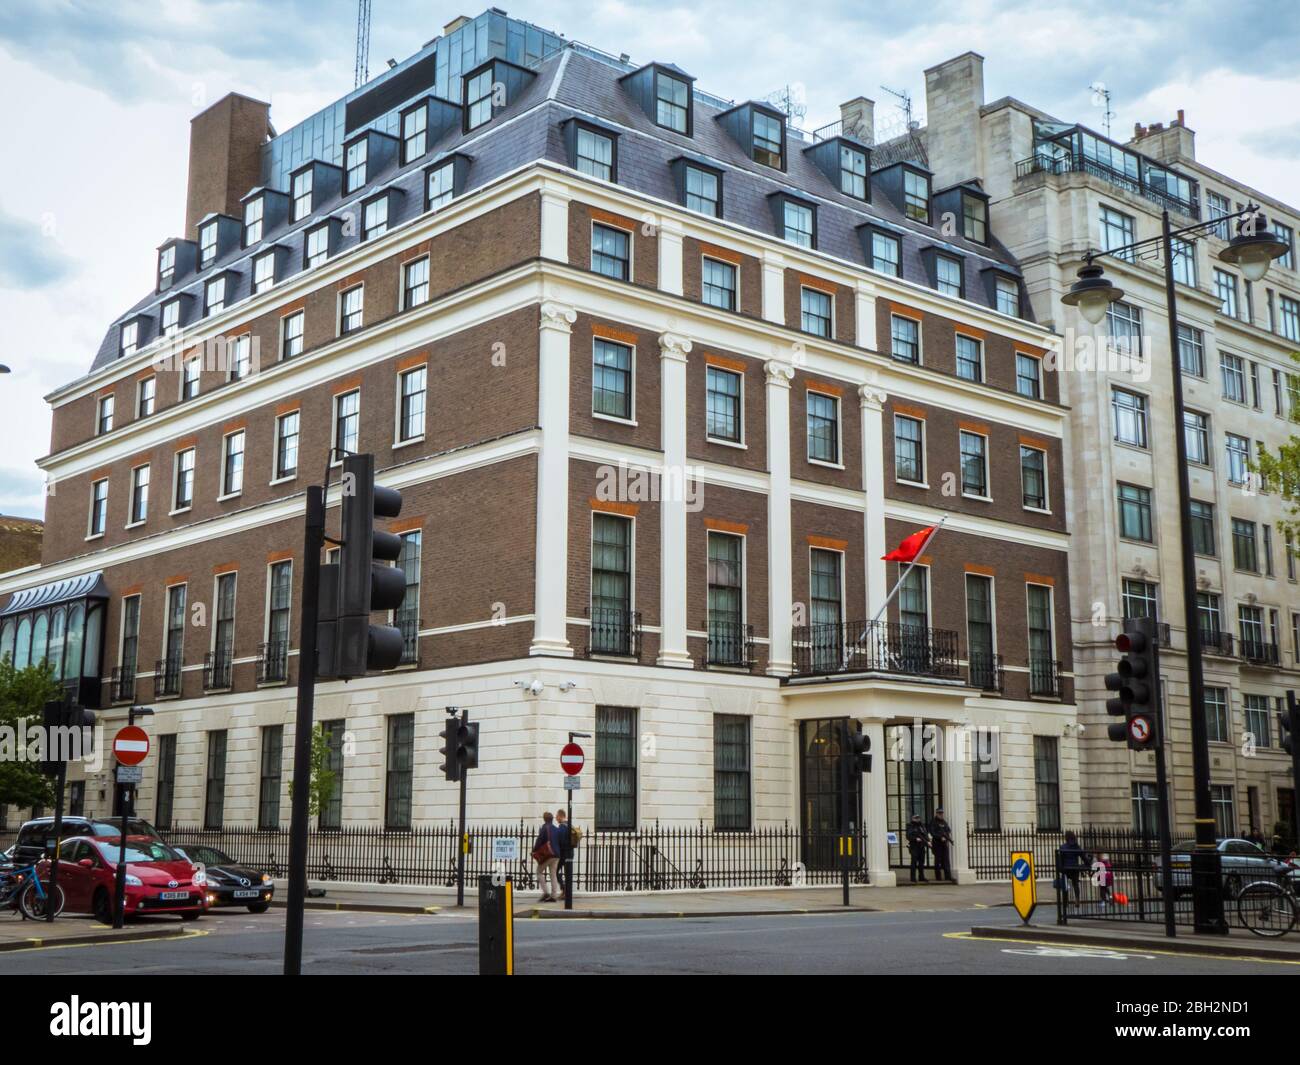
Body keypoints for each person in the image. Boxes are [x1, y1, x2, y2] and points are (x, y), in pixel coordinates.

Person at [533, 811, 560, 902]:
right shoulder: (556, 829)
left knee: (539, 871)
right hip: (556, 854)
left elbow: (539, 841)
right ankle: (554, 895)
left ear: (544, 819)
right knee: (553, 875)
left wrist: (534, 851)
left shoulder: (544, 828)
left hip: (548, 854)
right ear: (552, 819)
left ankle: (545, 893)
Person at [1058, 830, 1089, 901]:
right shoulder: (1076, 846)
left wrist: (1061, 868)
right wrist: (1087, 864)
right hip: (1074, 868)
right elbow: (1083, 856)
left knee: (1065, 885)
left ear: (1066, 838)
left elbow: (1061, 859)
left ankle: (1065, 901)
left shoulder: (1062, 847)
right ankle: (1077, 899)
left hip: (1066, 868)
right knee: (1075, 884)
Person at [929, 808, 953, 882]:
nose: (941, 814)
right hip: (937, 843)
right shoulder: (933, 822)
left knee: (946, 860)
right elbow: (932, 832)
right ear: (936, 814)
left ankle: (948, 876)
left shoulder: (944, 822)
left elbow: (948, 830)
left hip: (944, 844)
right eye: (939, 813)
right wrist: (940, 837)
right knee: (937, 861)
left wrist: (946, 837)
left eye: (942, 813)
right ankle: (938, 877)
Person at [554, 809, 574, 900]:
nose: (556, 818)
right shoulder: (570, 825)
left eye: (557, 816)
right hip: (570, 853)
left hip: (563, 854)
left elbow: (560, 842)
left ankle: (564, 890)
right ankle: (566, 892)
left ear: (561, 816)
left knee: (555, 871)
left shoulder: (562, 827)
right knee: (568, 873)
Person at [905, 814, 930, 883]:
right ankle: (913, 878)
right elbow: (908, 836)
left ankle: (921, 877)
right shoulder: (910, 826)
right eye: (915, 818)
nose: (917, 819)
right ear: (912, 819)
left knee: (921, 862)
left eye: (918, 818)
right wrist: (915, 839)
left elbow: (925, 834)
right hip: (914, 846)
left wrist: (928, 841)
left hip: (921, 846)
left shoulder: (922, 826)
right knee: (914, 862)